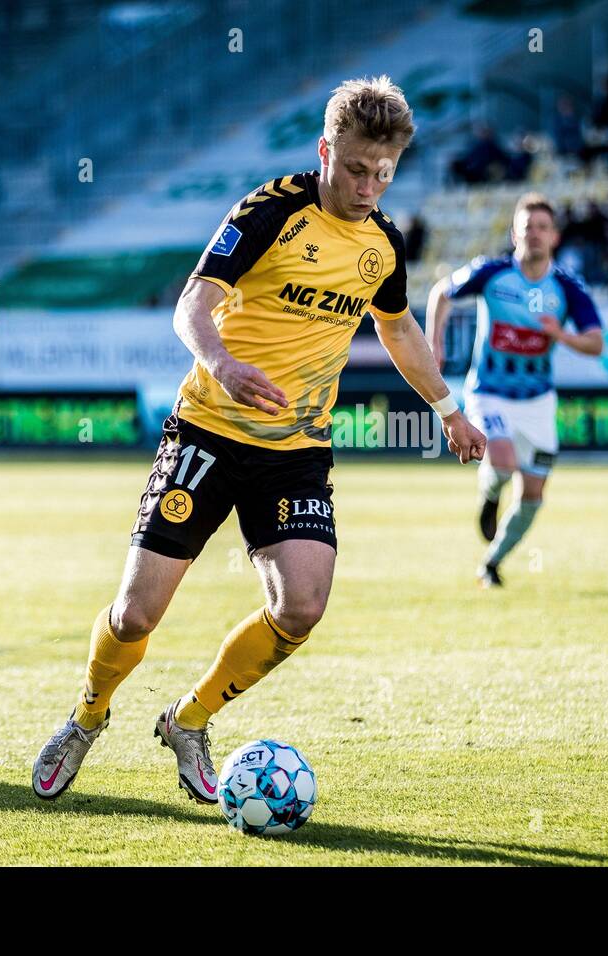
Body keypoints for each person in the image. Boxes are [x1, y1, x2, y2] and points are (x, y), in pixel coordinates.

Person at [32, 76, 487, 803]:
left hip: (296, 449)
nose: (371, 186)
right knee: (136, 614)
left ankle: (190, 718)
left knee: (302, 605)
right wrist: (222, 362)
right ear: (324, 151)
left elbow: (396, 325)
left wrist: (446, 407)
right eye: (357, 169)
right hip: (208, 431)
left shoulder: (381, 245)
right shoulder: (272, 209)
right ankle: (87, 717)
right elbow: (193, 302)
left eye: (384, 173)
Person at [425, 193, 603, 588]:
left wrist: (560, 335)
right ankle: (489, 495)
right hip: (489, 391)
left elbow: (596, 342)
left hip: (538, 400)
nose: (535, 235)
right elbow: (440, 292)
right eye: (528, 228)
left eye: (542, 228)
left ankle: (491, 563)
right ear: (514, 234)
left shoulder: (568, 287)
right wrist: (433, 342)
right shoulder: (493, 273)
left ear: (554, 236)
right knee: (502, 460)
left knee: (534, 494)